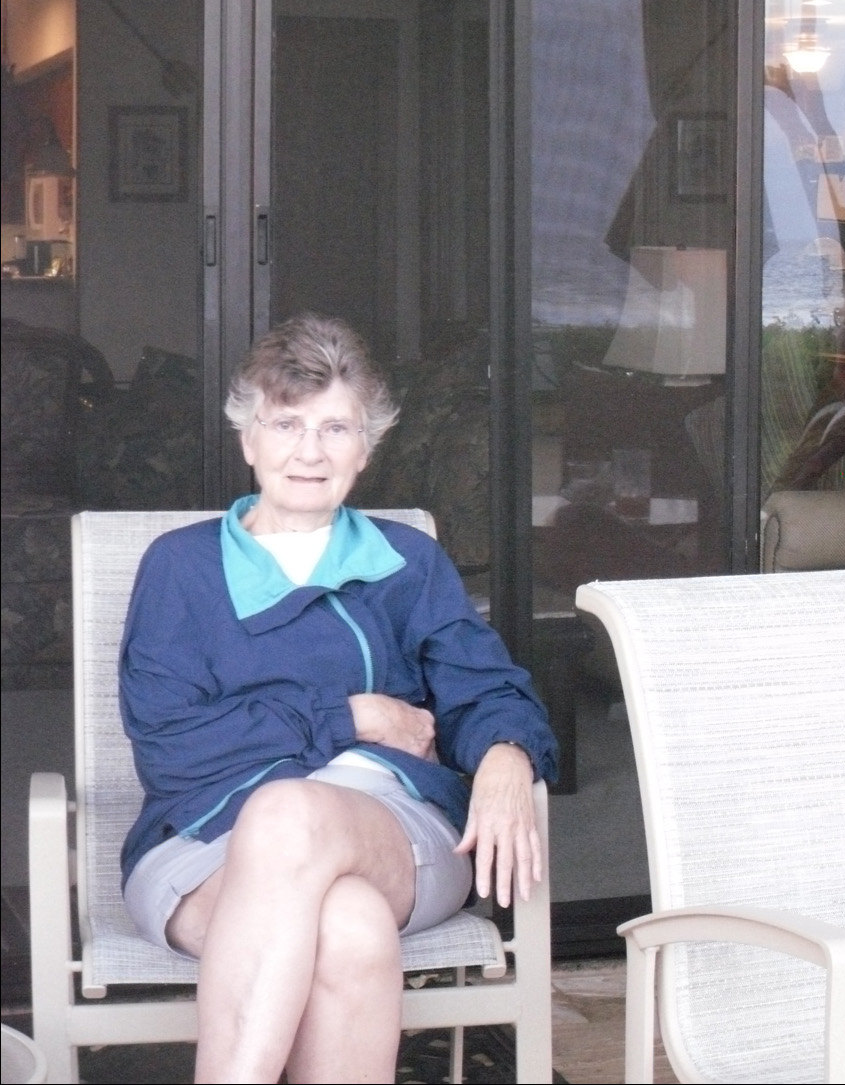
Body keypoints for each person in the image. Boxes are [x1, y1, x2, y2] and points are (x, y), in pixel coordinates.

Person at [118, 314, 558, 1083]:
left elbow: (484, 686)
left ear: (368, 445)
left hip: (390, 822)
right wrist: (349, 714)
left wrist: (506, 753)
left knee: (292, 813)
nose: (309, 451)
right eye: (285, 423)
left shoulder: (406, 561)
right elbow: (168, 743)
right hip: (202, 836)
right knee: (349, 926)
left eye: (336, 427)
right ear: (247, 439)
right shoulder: (179, 568)